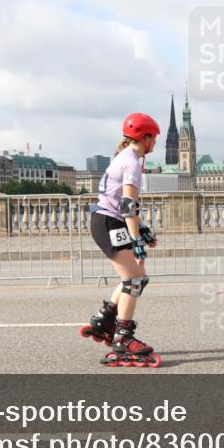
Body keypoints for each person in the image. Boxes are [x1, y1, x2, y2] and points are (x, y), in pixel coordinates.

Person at [80, 112, 162, 368]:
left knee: (139, 277)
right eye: (154, 139)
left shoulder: (125, 157)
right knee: (133, 281)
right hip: (109, 223)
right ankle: (123, 339)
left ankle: (105, 319)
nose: (155, 144)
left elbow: (123, 205)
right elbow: (128, 205)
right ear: (145, 138)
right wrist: (137, 239)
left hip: (109, 220)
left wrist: (142, 228)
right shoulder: (132, 163)